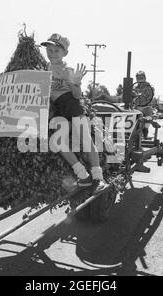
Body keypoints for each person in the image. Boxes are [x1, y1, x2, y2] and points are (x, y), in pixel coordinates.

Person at [41, 33, 107, 192]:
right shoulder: (44, 70)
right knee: (57, 142)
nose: (51, 53)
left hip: (73, 106)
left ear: (65, 53)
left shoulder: (69, 70)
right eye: (49, 50)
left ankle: (98, 178)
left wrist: (73, 82)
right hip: (58, 109)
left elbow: (77, 95)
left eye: (56, 50)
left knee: (86, 141)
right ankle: (82, 175)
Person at [133, 70, 155, 140]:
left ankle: (145, 129)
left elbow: (150, 95)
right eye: (138, 78)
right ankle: (134, 134)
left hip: (146, 106)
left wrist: (141, 95)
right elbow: (132, 96)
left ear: (145, 78)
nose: (140, 79)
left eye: (141, 78)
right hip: (137, 106)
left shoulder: (149, 87)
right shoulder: (135, 87)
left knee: (148, 116)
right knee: (133, 118)